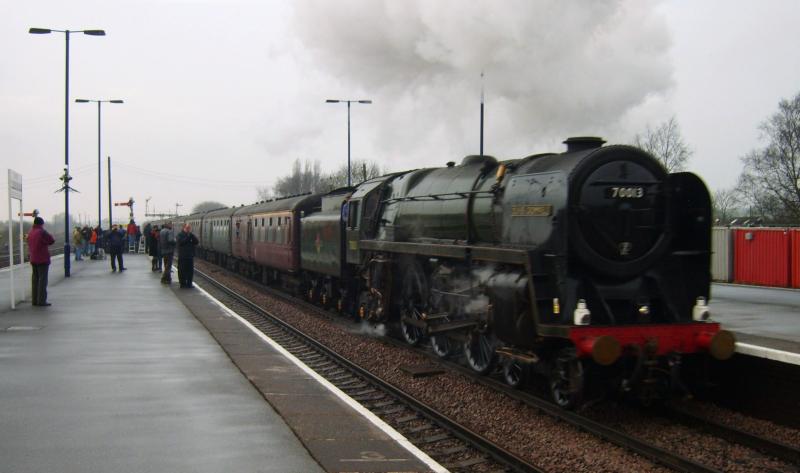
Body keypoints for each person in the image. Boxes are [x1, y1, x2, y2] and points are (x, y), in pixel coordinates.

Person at [28, 217, 55, 306]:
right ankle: (41, 301)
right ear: (41, 224)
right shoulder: (42, 232)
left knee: (35, 280)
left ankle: (34, 300)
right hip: (42, 259)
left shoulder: (31, 232)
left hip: (33, 258)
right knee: (42, 280)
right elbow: (51, 240)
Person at [176, 223, 199, 288]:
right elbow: (181, 242)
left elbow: (196, 242)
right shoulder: (180, 235)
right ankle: (182, 283)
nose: (189, 229)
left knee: (190, 270)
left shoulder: (191, 235)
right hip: (182, 256)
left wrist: (192, 236)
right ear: (184, 228)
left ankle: (189, 283)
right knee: (182, 270)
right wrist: (188, 237)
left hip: (190, 255)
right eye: (187, 228)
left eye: (189, 228)